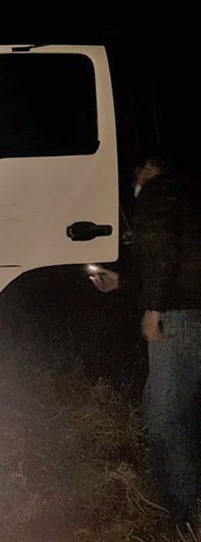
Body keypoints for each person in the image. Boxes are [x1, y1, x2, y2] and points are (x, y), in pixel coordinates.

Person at [90, 155, 201, 529]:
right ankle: (185, 506)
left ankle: (186, 518)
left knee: (164, 420)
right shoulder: (181, 197)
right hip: (185, 314)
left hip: (177, 319)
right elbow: (170, 260)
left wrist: (153, 310)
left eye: (137, 173)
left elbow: (161, 249)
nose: (134, 180)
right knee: (175, 414)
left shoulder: (158, 192)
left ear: (149, 169)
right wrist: (122, 283)